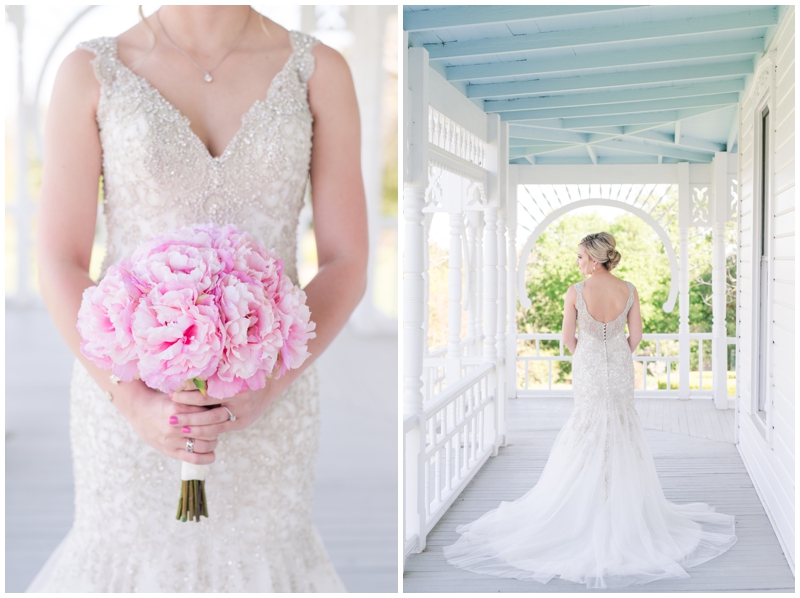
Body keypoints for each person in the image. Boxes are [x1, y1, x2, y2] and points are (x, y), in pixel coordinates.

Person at [30, 5, 367, 592]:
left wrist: (270, 385)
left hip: (272, 399)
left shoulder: (319, 70)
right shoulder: (90, 71)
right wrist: (132, 402)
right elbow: (58, 260)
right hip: (125, 401)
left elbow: (347, 259)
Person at [443, 232, 737, 589]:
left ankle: (584, 501)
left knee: (587, 427)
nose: (578, 262)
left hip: (589, 367)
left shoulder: (576, 292)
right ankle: (620, 502)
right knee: (620, 427)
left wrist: (588, 353)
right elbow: (637, 334)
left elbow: (569, 339)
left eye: (581, 256)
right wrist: (617, 352)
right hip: (619, 363)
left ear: (595, 259)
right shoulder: (628, 289)